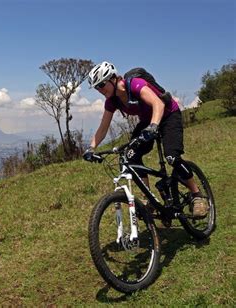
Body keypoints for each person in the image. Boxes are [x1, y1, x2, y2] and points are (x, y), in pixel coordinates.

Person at [82, 61, 208, 218]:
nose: (99, 90)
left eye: (101, 85)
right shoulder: (112, 101)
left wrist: (154, 126)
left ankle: (197, 195)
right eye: (96, 87)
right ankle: (149, 200)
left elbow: (158, 104)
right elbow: (103, 127)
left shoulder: (135, 84)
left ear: (113, 78)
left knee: (172, 157)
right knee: (131, 157)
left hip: (168, 115)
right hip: (148, 122)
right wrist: (91, 148)